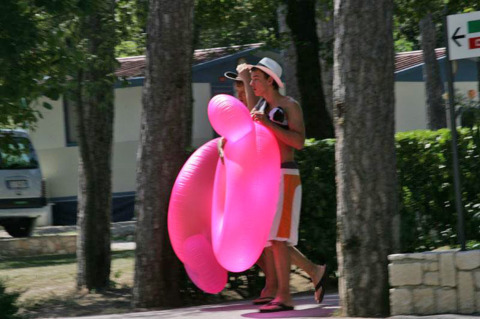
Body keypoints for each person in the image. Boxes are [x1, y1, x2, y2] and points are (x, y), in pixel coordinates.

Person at [221, 58, 327, 312]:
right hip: (266, 179)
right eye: (252, 80)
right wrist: (246, 79)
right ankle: (307, 276)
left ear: (271, 80)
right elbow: (248, 126)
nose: (253, 84)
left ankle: (285, 296)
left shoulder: (289, 105)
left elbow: (298, 142)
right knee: (272, 240)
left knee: (278, 240)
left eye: (258, 79)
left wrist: (268, 124)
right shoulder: (260, 106)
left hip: (285, 175)